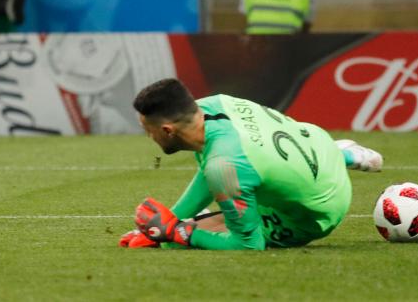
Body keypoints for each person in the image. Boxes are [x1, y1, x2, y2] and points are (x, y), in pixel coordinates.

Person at [120, 78, 383, 250]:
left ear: (167, 130)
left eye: (148, 130)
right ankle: (343, 155)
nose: (148, 136)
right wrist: (172, 217)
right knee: (250, 167)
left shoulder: (224, 165)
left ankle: (343, 156)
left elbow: (248, 245)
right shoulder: (213, 105)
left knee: (179, 242)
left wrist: (176, 230)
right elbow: (209, 172)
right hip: (316, 143)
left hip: (318, 211)